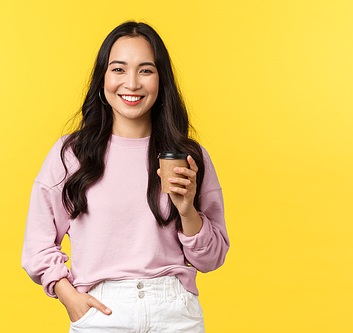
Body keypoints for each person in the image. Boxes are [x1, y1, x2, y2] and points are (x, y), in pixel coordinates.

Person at [21, 21, 229, 332]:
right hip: (103, 312)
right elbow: (37, 245)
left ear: (161, 81)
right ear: (102, 78)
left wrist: (187, 210)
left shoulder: (188, 156)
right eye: (119, 69)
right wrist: (70, 299)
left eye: (146, 70)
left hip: (174, 312)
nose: (131, 83)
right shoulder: (71, 154)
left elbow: (211, 259)